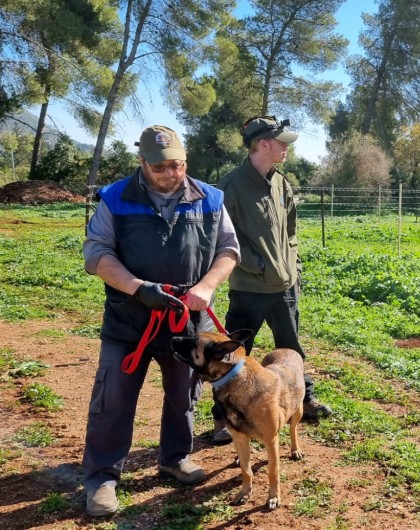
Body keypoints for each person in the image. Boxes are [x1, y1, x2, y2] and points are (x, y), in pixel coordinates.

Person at [81, 125, 240, 516]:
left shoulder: (210, 198)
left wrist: (206, 285)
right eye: (160, 167)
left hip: (186, 321)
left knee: (183, 395)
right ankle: (102, 477)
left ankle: (175, 458)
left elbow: (228, 249)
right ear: (142, 163)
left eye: (178, 164)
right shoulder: (116, 198)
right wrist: (137, 288)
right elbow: (96, 253)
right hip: (129, 322)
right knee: (113, 399)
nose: (171, 173)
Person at [211, 115, 331, 444]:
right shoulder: (231, 185)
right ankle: (223, 418)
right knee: (235, 353)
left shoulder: (282, 183)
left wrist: (293, 267)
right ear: (264, 145)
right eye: (282, 142)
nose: (287, 148)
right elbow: (221, 236)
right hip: (249, 287)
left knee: (291, 348)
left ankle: (303, 400)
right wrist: (259, 265)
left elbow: (290, 233)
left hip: (284, 287)